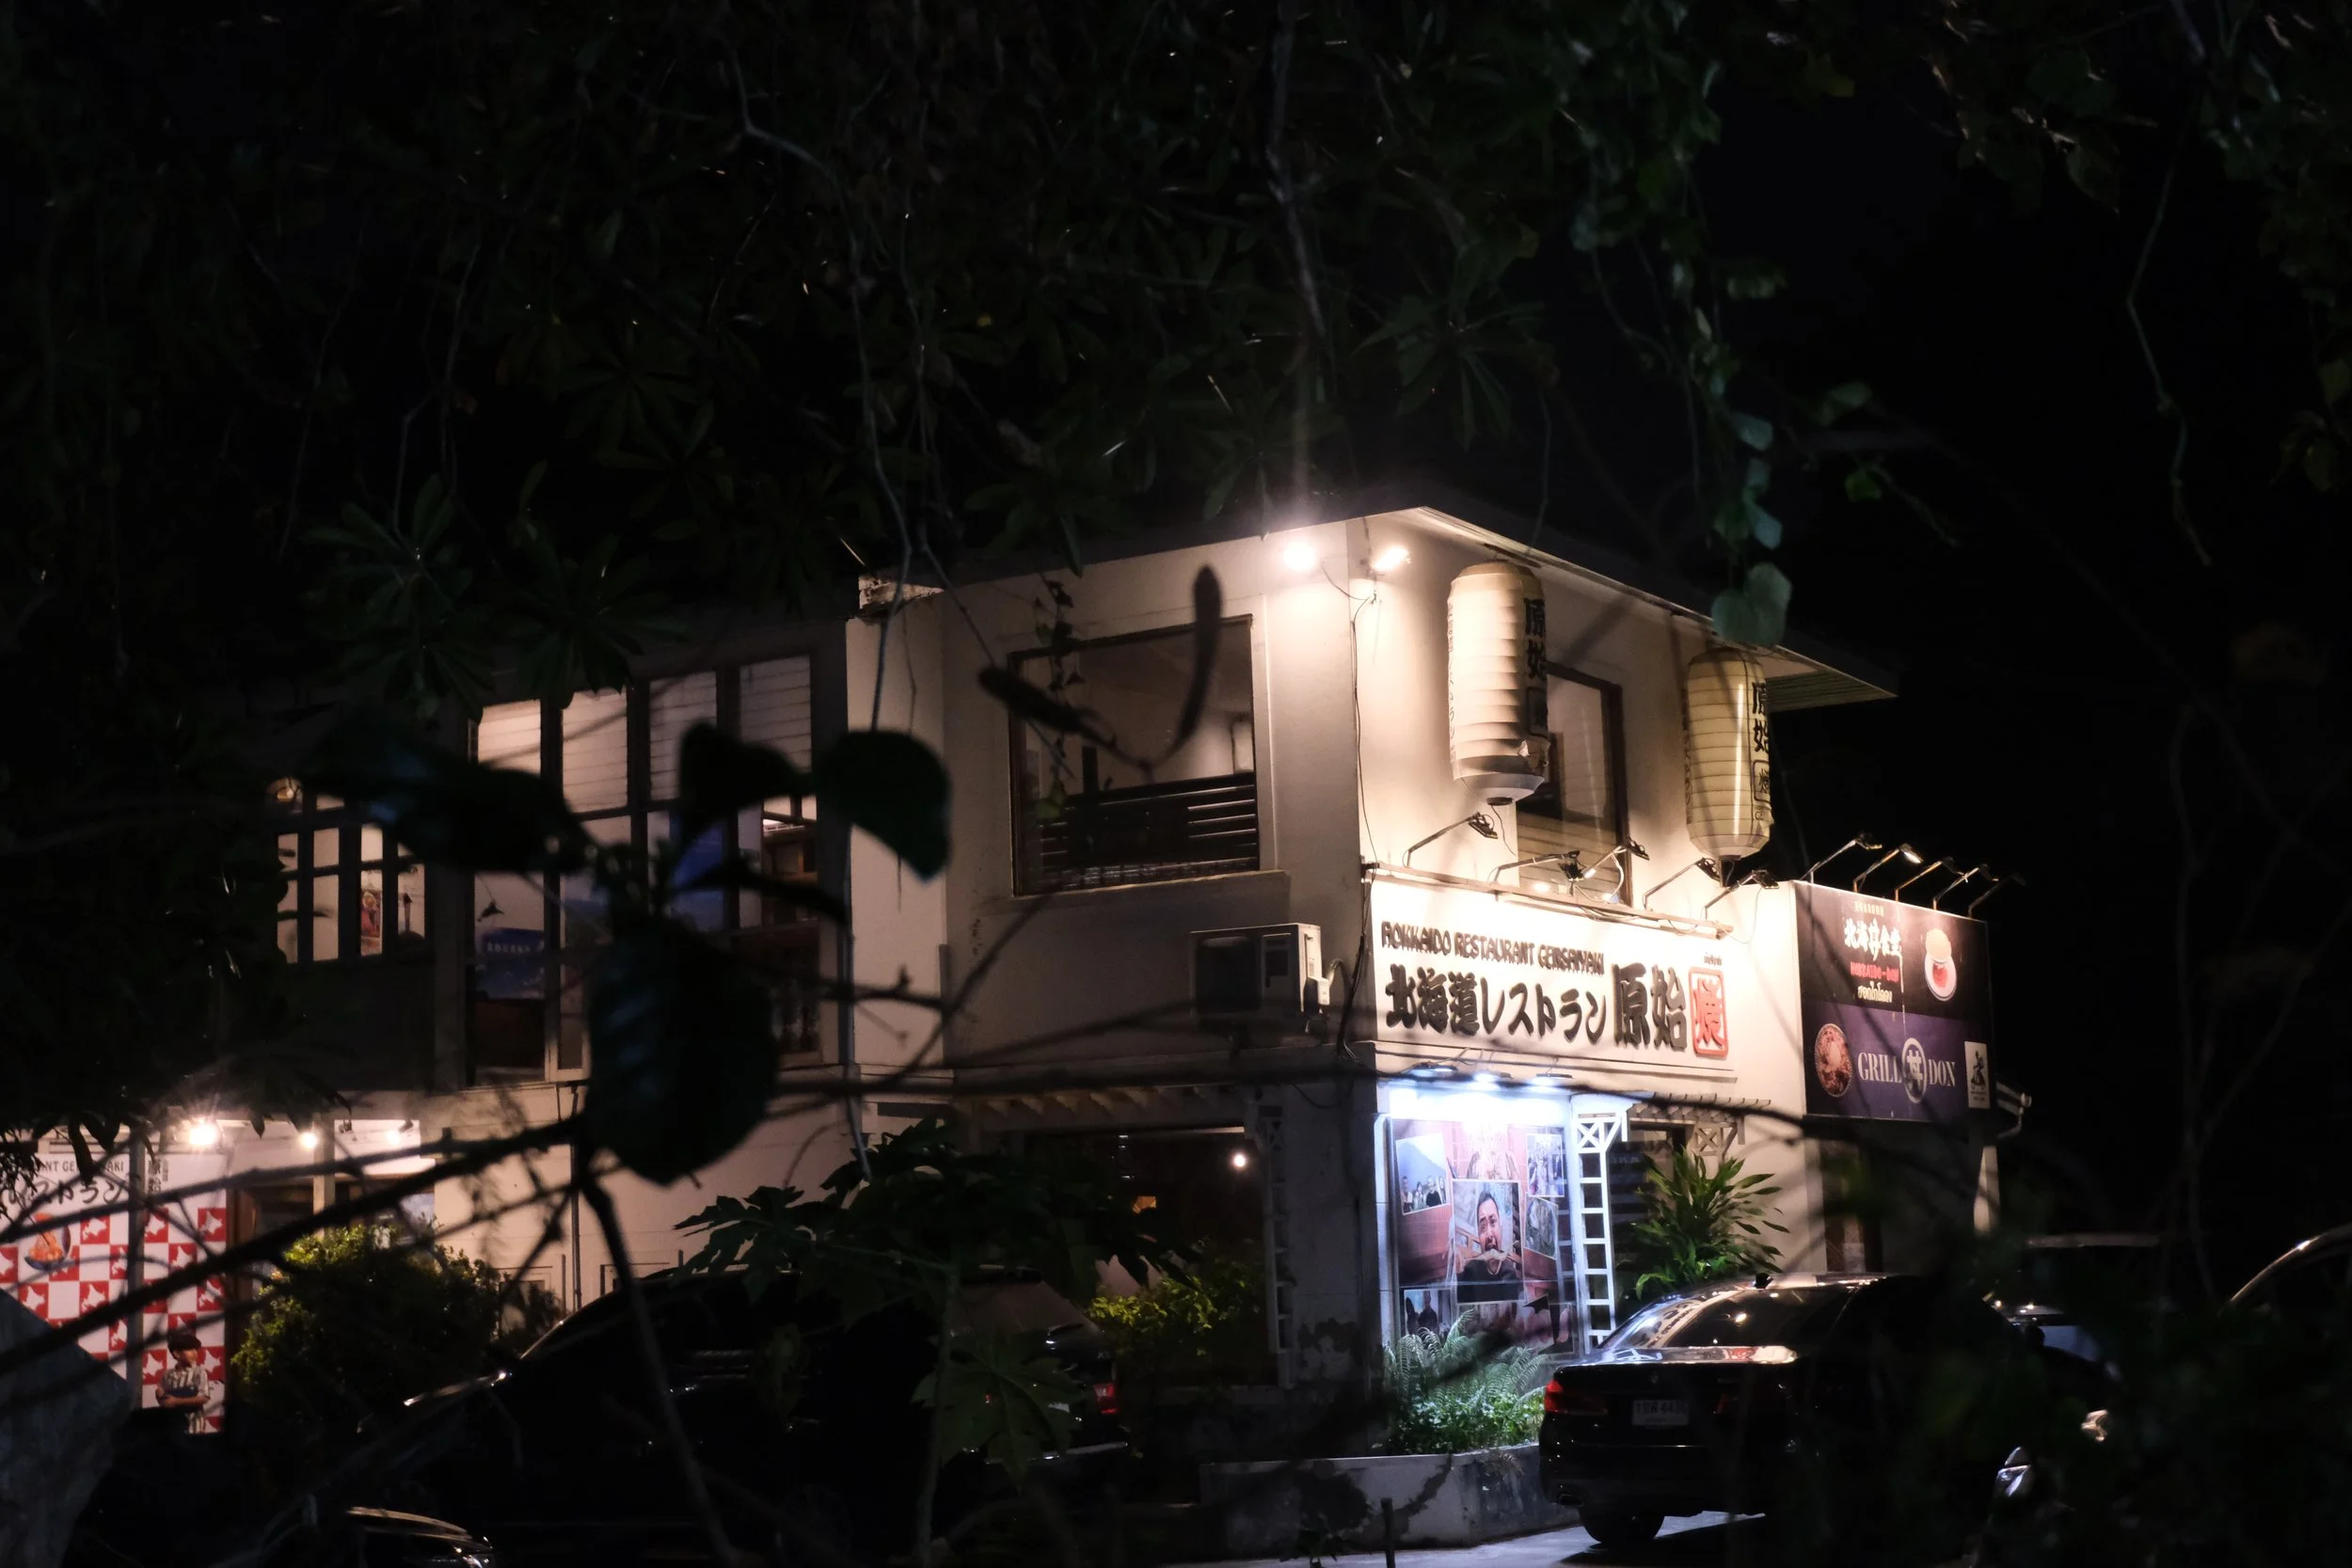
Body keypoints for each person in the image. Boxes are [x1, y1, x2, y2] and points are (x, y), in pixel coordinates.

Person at [1454, 1193, 1520, 1287]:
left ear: (1501, 1229)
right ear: (1478, 1234)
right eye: (1483, 1227)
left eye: (1493, 1222)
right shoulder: (1469, 1274)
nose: (1489, 1234)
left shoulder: (1511, 1274)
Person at [155, 1330, 210, 1433]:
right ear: (176, 1353)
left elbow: (204, 1397)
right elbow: (162, 1396)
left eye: (195, 1349)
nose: (194, 1353)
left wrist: (176, 1401)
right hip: (172, 1425)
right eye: (190, 1349)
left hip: (194, 1425)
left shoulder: (199, 1372)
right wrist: (160, 1396)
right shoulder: (167, 1374)